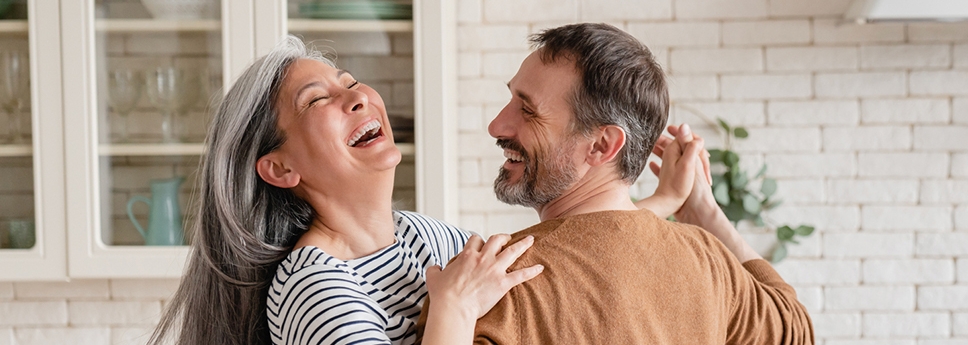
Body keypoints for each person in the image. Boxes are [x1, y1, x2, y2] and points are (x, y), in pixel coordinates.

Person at [146, 36, 706, 345]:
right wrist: (454, 310)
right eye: (318, 101)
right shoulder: (314, 289)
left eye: (349, 83)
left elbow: (547, 261)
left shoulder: (421, 237)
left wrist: (662, 202)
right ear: (280, 169)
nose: (359, 96)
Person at [420, 23, 815, 344]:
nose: (497, 125)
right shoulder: (707, 260)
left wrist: (452, 309)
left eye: (528, 110)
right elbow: (795, 331)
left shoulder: (490, 284)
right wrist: (702, 211)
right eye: (511, 100)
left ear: (602, 145)